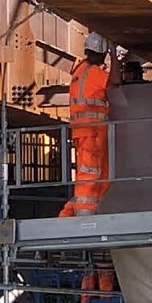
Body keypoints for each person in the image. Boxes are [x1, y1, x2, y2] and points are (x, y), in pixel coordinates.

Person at [59, 32, 121, 217]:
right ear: (101, 52)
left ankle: (70, 214)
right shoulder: (92, 72)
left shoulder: (81, 71)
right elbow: (116, 80)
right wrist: (114, 54)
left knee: (103, 178)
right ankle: (82, 217)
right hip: (91, 133)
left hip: (91, 133)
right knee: (89, 175)